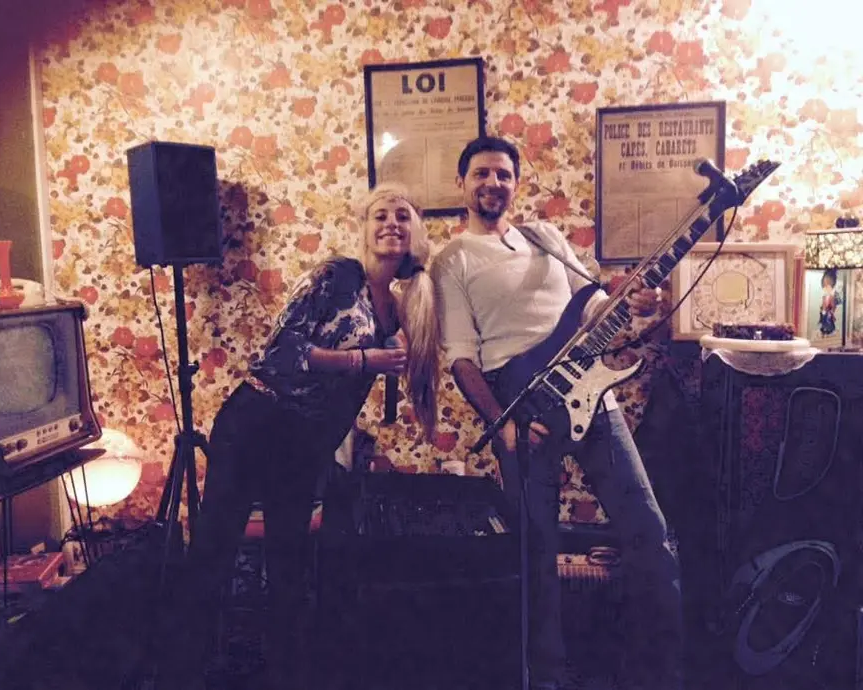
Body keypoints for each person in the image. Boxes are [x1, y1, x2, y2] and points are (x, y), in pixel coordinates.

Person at [157, 181, 440, 690]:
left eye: (402, 215)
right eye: (380, 215)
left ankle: (284, 674)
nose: (391, 224)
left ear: (416, 230)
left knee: (290, 568)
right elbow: (281, 354)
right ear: (364, 229)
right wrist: (364, 360)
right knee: (214, 553)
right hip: (256, 424)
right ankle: (180, 674)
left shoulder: (398, 306)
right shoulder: (337, 276)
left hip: (303, 444)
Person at [430, 136, 682, 690]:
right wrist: (503, 423)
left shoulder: (545, 236)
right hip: (523, 408)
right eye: (481, 173)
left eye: (503, 174)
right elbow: (463, 358)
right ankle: (546, 675)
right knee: (536, 549)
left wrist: (631, 304)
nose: (493, 183)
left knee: (649, 529)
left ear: (516, 183)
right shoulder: (452, 259)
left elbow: (592, 308)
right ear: (461, 184)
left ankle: (660, 670)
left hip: (592, 394)